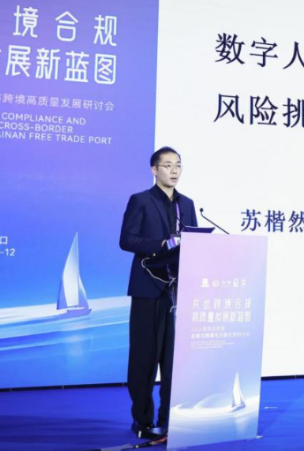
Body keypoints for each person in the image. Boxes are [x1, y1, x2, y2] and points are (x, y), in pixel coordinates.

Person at [119, 146, 198, 439]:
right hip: (147, 287)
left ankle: (169, 419)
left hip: (177, 290)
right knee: (144, 358)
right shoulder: (140, 200)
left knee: (173, 361)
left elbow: (193, 241)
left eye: (178, 165)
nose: (174, 171)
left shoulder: (187, 204)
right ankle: (142, 421)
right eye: (167, 165)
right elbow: (127, 240)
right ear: (154, 170)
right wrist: (161, 245)